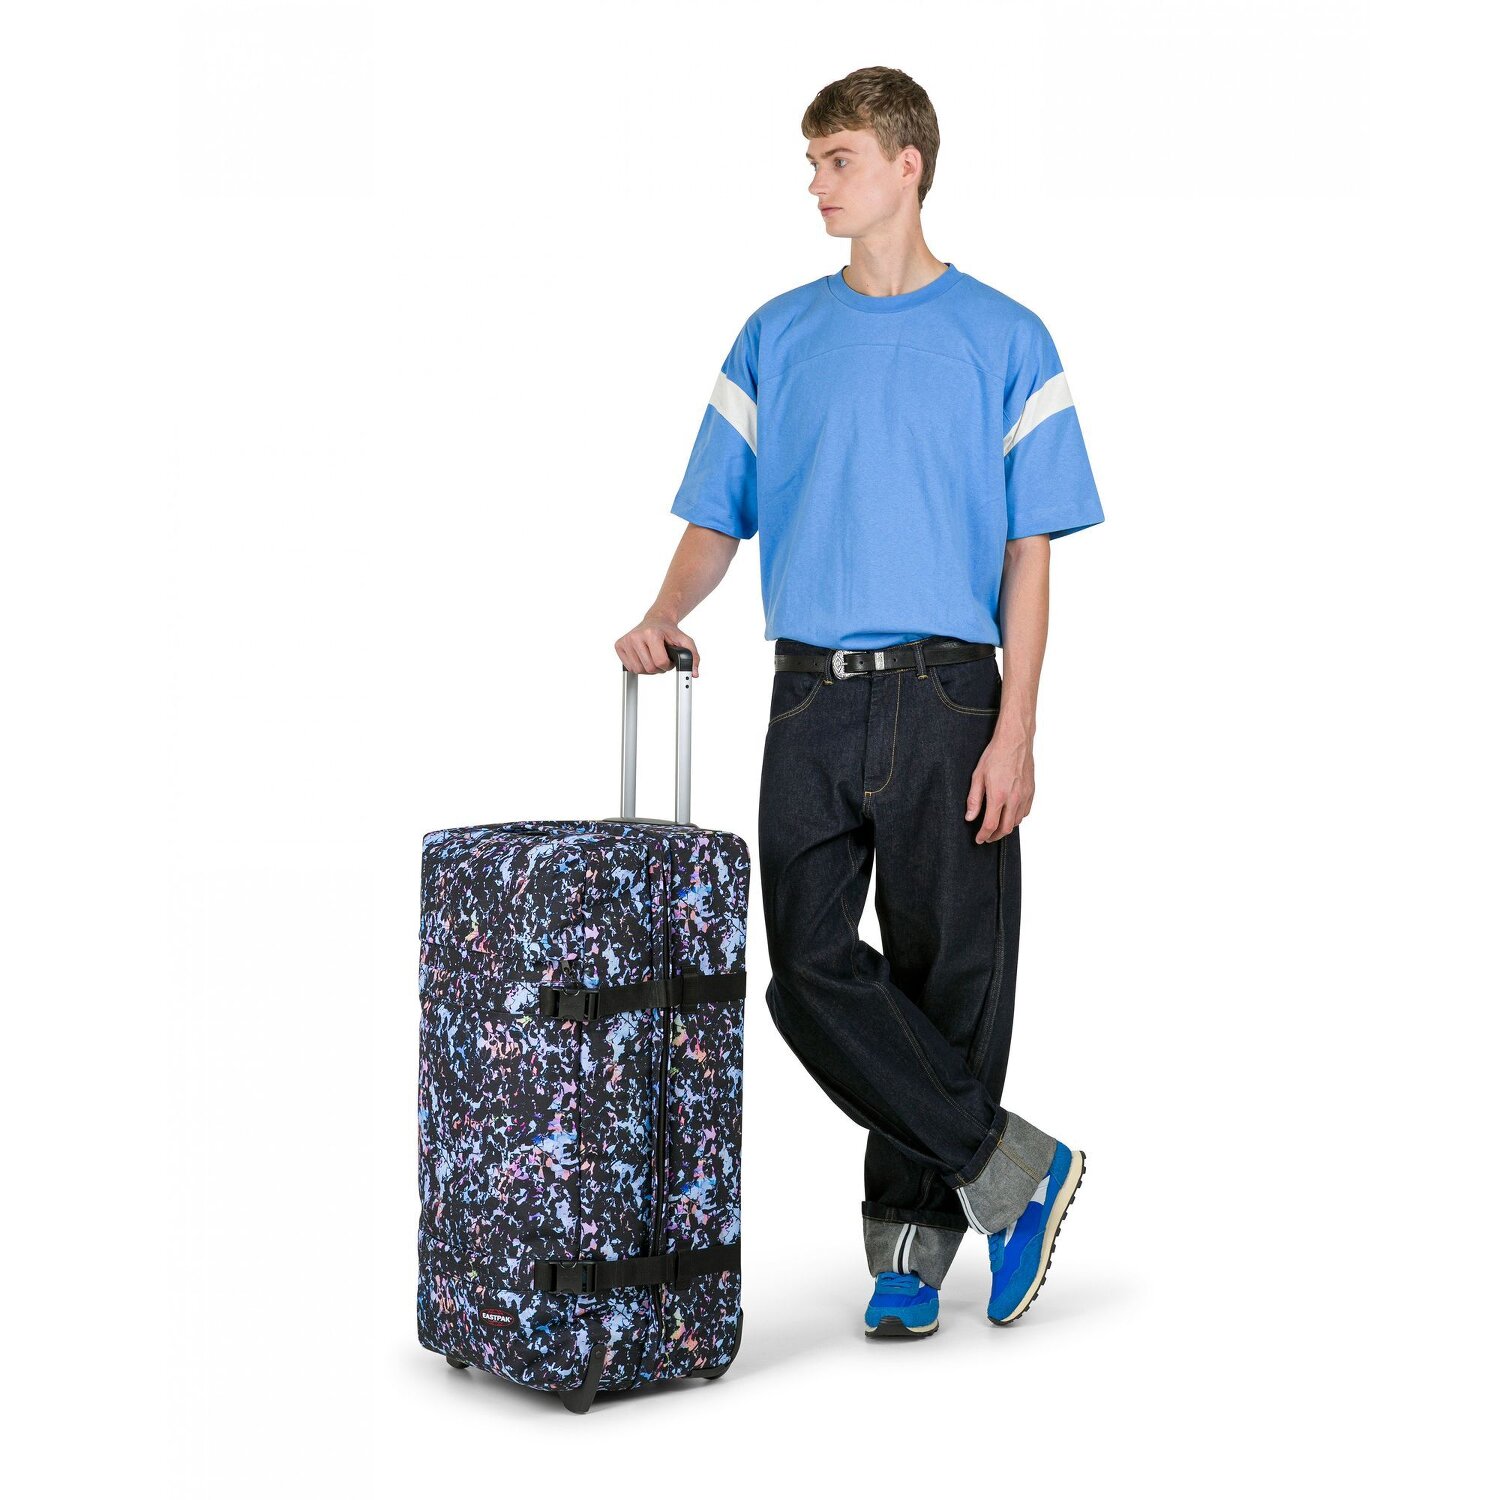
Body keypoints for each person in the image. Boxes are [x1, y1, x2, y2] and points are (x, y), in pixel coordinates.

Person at [615, 65, 1104, 1339]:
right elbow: (715, 516)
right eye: (813, 162)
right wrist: (666, 611)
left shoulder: (1008, 338)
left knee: (951, 978)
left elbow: (1031, 553)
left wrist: (1018, 728)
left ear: (907, 165)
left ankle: (909, 1256)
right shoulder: (776, 335)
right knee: (808, 973)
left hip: (951, 696)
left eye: (838, 159)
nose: (817, 184)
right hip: (808, 700)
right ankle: (1014, 1169)